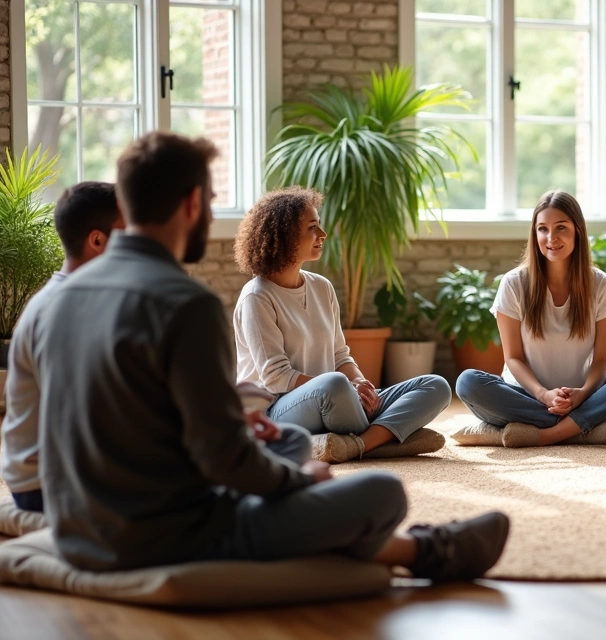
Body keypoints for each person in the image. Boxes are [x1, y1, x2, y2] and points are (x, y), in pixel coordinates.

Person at [33, 131, 508, 581]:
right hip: (160, 538)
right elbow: (224, 462)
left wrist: (239, 422)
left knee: (292, 448)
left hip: (78, 530)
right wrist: (298, 483)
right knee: (381, 493)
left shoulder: (61, 298)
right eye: (212, 200)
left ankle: (405, 529)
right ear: (193, 203)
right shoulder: (183, 302)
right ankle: (426, 551)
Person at [232, 187, 451, 464]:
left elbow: (340, 355)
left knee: (436, 385)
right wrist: (347, 388)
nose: (322, 234)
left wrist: (360, 382)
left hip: (339, 400)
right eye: (313, 227)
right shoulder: (257, 296)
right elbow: (275, 377)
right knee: (335, 384)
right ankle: (384, 437)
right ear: (285, 236)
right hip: (278, 409)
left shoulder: (322, 287)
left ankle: (355, 444)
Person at [455, 190, 606, 448]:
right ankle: (583, 426)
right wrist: (544, 395)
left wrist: (583, 394)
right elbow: (513, 358)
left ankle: (549, 433)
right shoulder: (514, 283)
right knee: (468, 383)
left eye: (561, 227)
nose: (551, 238)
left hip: (583, 395)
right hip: (526, 396)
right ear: (534, 234)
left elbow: (603, 360)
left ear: (578, 231)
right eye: (542, 229)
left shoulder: (600, 284)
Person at [2, 183, 133, 512]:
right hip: (44, 486)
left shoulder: (78, 299)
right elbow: (78, 418)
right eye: (129, 233)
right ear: (98, 240)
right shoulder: (65, 309)